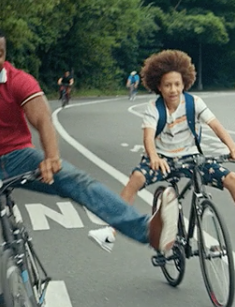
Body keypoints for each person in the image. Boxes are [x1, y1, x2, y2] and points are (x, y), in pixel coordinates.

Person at [0, 25, 178, 307]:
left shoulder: (18, 80)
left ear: (4, 56)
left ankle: (147, 231)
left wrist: (51, 157)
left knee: (78, 182)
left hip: (21, 156)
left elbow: (42, 119)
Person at [89, 49, 235, 253]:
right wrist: (154, 157)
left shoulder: (194, 103)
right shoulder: (154, 108)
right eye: (168, 85)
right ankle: (110, 232)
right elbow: (148, 137)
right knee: (136, 179)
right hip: (163, 159)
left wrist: (232, 147)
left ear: (184, 83)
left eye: (177, 84)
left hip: (191, 157)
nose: (173, 89)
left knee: (231, 179)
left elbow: (216, 126)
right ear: (159, 86)